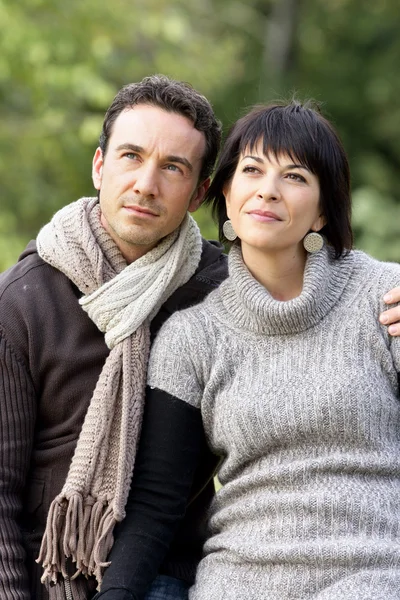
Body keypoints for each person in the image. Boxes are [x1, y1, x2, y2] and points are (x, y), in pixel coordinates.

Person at [95, 100, 400, 600]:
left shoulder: (384, 298)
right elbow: (156, 503)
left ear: (323, 209)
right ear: (226, 193)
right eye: (252, 170)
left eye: (295, 177)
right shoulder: (192, 335)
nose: (268, 191)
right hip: (236, 582)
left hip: (375, 575)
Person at [0, 74, 227, 600]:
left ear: (198, 194)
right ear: (99, 165)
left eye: (173, 167)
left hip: (176, 575)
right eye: (131, 156)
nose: (146, 184)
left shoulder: (222, 291)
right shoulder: (22, 300)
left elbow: (318, 295)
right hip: (48, 576)